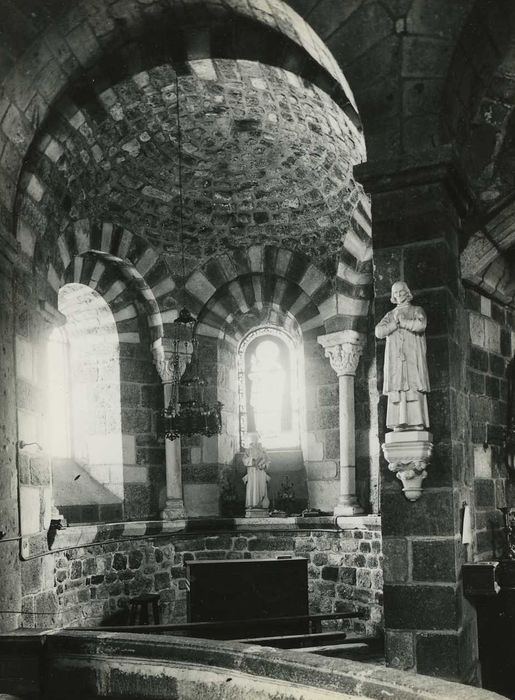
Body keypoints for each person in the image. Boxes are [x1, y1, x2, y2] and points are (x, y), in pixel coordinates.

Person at [375, 281, 430, 431]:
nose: (399, 295)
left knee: (413, 386)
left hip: (412, 358)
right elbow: (378, 332)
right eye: (396, 293)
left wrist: (403, 322)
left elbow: (421, 325)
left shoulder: (417, 310)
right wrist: (393, 325)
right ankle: (398, 423)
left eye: (401, 292)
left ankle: (416, 422)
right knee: (397, 388)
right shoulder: (390, 315)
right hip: (395, 361)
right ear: (393, 296)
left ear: (407, 292)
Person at [242, 433, 271, 509]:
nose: (255, 439)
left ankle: (262, 505)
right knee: (253, 489)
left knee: (261, 488)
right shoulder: (248, 450)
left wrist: (264, 465)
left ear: (258, 438)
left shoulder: (263, 449)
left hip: (261, 472)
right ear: (251, 439)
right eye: (253, 438)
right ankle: (252, 505)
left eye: (256, 438)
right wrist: (252, 460)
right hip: (252, 473)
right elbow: (244, 460)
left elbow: (268, 461)